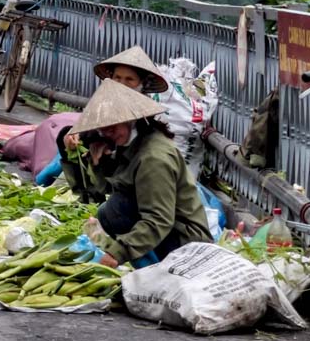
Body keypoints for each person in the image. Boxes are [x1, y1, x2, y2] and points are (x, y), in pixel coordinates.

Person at [70, 79, 212, 267]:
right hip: (170, 232)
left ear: (130, 119)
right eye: (104, 129)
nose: (109, 133)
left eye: (114, 126)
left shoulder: (153, 158)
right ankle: (149, 268)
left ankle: (156, 271)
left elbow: (158, 219)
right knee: (108, 211)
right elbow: (97, 192)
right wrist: (100, 161)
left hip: (188, 244)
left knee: (116, 210)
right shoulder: (126, 144)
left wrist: (116, 254)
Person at [51, 46, 169, 200]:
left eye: (129, 79)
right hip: (105, 162)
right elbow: (93, 129)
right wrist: (75, 135)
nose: (121, 84)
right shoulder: (106, 102)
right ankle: (84, 194)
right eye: (117, 78)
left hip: (130, 174)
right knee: (67, 136)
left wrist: (111, 149)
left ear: (141, 84)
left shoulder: (145, 115)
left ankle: (102, 199)